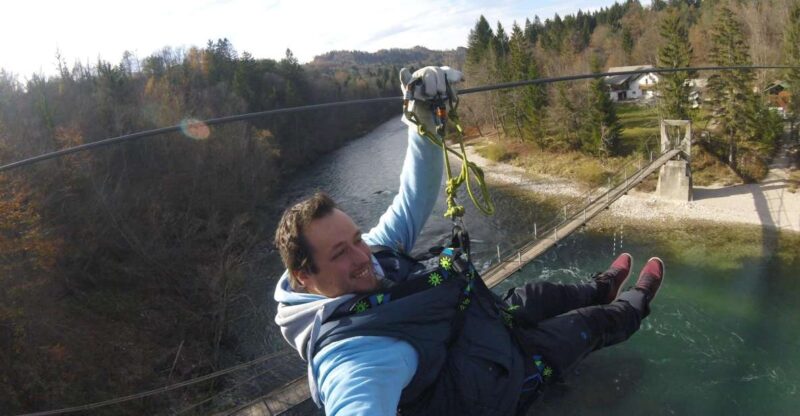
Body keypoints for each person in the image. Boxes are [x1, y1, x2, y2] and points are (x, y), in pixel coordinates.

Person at [273, 66, 665, 416]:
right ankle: (637, 301)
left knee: (540, 293)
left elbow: (411, 202)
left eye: (357, 239)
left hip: (482, 325)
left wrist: (421, 122)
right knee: (591, 324)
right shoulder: (353, 356)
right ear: (304, 276)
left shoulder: (367, 259)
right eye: (341, 252)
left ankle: (601, 286)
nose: (363, 255)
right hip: (504, 376)